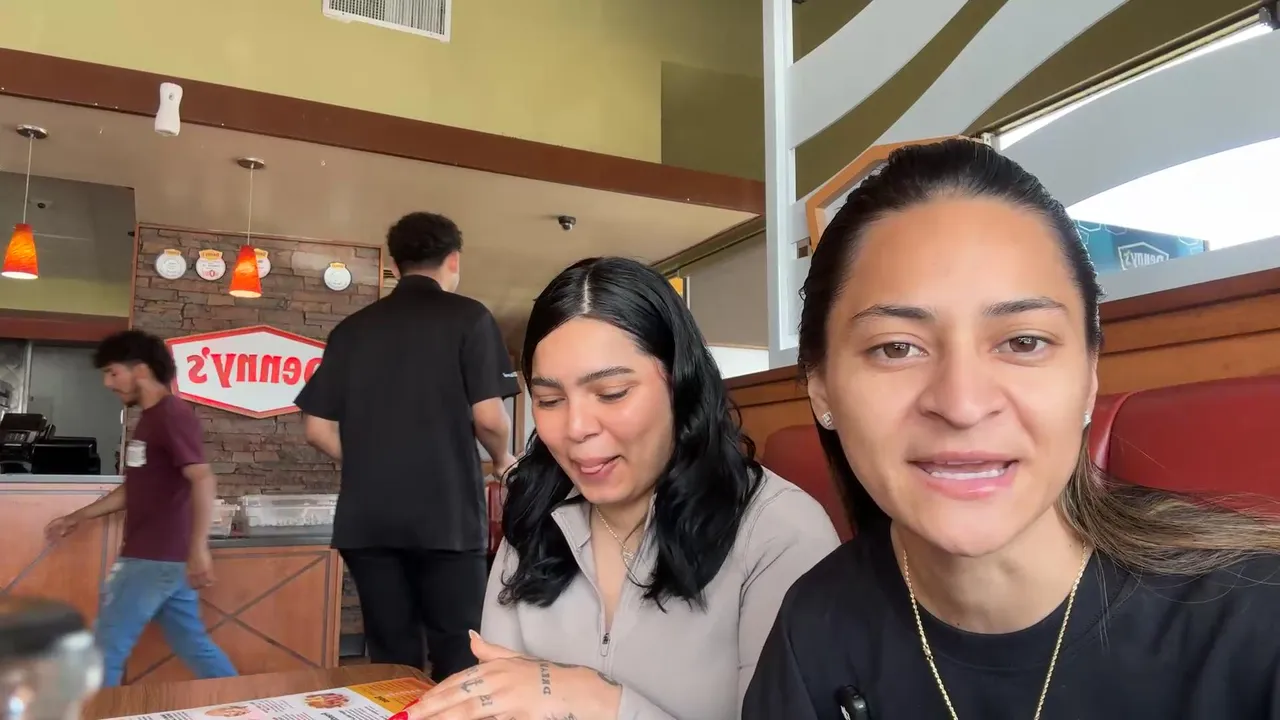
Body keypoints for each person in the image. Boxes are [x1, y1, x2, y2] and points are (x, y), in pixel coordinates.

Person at [742, 138, 1280, 720]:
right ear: (821, 387)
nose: (963, 405)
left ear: (1089, 377)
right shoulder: (814, 627)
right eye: (897, 347)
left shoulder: (1256, 618)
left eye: (1024, 342)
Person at [402, 256, 839, 720]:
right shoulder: (535, 516)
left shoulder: (779, 533)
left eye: (611, 393)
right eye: (550, 400)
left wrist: (593, 699)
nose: (576, 427)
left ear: (680, 384)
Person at [296, 211, 520, 682]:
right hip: (446, 517)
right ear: (453, 260)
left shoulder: (351, 330)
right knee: (461, 651)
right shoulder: (469, 317)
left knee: (391, 659)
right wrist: (503, 460)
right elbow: (488, 417)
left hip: (368, 520)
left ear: (395, 264)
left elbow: (316, 428)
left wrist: (370, 460)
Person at [45, 330, 236, 687]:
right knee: (192, 644)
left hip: (152, 558)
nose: (107, 383)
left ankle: (97, 711)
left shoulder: (171, 416)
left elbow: (202, 478)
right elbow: (135, 488)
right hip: (164, 560)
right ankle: (245, 705)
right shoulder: (150, 419)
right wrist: (77, 517)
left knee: (104, 650)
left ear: (142, 370)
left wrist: (199, 549)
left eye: (113, 372)